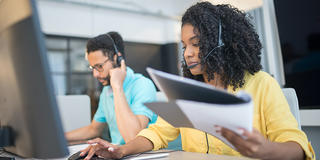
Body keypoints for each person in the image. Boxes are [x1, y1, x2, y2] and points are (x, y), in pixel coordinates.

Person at [77, 2, 315, 160]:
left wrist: (265, 149)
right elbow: (158, 133)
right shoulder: (186, 90)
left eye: (197, 43)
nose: (187, 53)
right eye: (184, 46)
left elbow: (297, 146)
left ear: (222, 43)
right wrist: (120, 150)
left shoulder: (262, 84)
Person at [65, 32, 158, 145]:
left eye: (99, 66)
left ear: (116, 58)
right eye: (92, 67)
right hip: (116, 153)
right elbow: (94, 129)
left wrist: (117, 87)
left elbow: (133, 138)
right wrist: (60, 137)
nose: (95, 74)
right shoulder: (107, 90)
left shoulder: (143, 85)